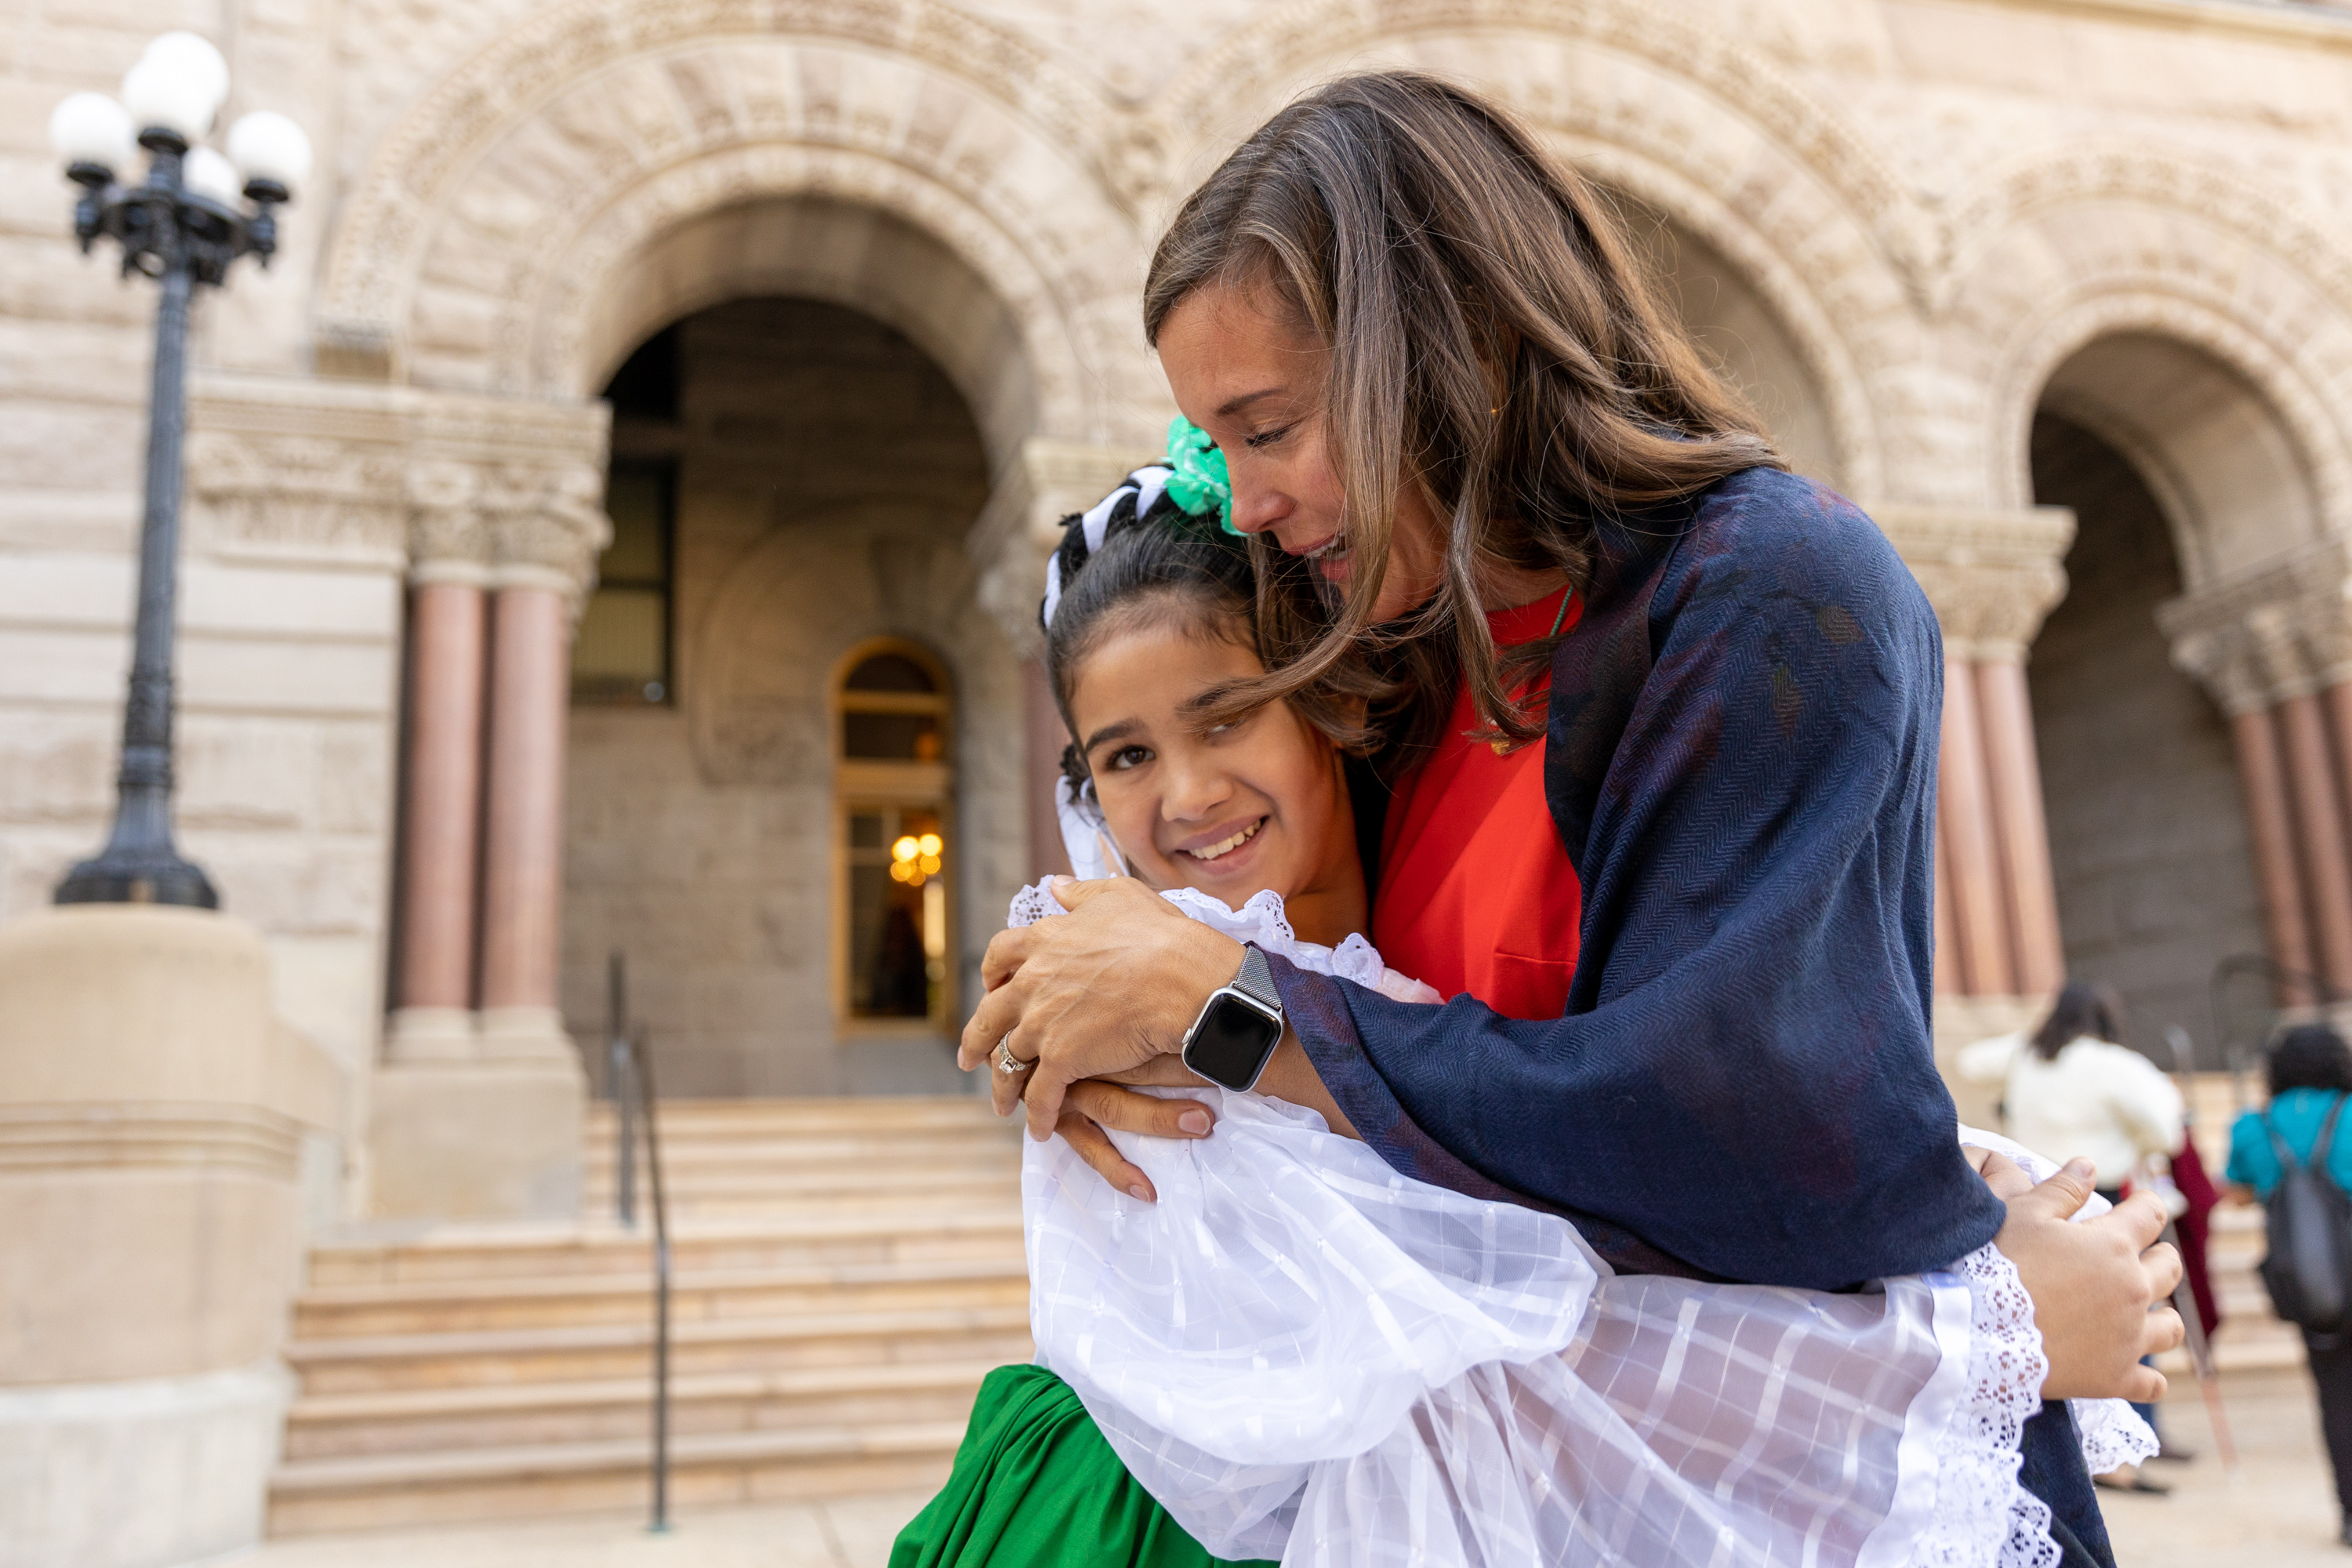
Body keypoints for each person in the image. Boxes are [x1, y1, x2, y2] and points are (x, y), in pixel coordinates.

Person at [961, 73, 2182, 1566]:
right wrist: (1102, 1036)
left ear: (1446, 348)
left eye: (1269, 428)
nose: (1250, 500)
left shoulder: (1765, 587)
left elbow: (1733, 1119)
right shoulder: (1411, 658)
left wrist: (1225, 1019)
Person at [898, 458, 2137, 1566]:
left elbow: (1580, 1127)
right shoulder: (1136, 989)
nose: (1184, 793)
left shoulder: (1411, 930)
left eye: (1227, 715)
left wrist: (1943, 1197)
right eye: (1123, 757)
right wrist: (1975, 1328)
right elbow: (1495, 1375)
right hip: (1164, 1520)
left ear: (1332, 700)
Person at [2227, 1024, 2352, 1548]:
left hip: (2312, 1282)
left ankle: (2350, 1514)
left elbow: (2236, 1192)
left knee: (2335, 1397)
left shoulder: (2253, 1128)